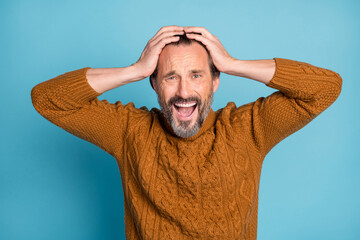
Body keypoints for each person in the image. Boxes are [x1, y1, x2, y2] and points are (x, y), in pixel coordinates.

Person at [31, 25, 342, 239]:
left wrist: (233, 63)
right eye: (170, 77)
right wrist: (134, 70)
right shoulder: (129, 131)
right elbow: (47, 100)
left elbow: (325, 88)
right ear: (153, 84)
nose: (184, 91)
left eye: (196, 75)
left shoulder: (247, 129)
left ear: (215, 81)